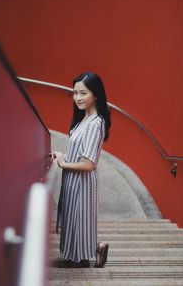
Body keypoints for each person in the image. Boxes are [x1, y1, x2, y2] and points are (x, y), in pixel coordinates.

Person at [52, 72, 111, 268]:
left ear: (95, 95)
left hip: (83, 182)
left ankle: (87, 257)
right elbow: (79, 154)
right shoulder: (83, 119)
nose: (77, 97)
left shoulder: (95, 123)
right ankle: (95, 249)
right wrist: (63, 156)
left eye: (83, 93)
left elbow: (88, 164)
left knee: (80, 223)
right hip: (73, 179)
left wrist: (63, 163)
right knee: (74, 223)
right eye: (75, 92)